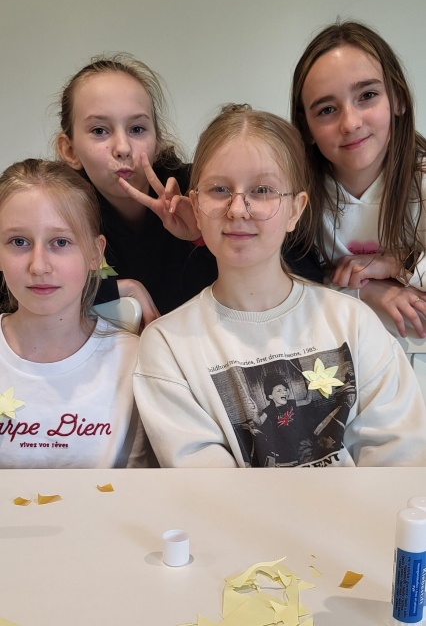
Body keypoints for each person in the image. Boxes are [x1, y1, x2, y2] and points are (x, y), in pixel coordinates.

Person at [133, 104, 426, 468]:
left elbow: (400, 458)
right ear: (195, 206)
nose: (238, 209)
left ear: (296, 210)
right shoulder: (167, 345)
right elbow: (208, 487)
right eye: (220, 189)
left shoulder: (355, 322)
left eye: (262, 190)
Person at [55, 53, 322, 317]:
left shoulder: (205, 191)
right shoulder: (60, 212)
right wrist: (119, 290)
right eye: (99, 131)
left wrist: (204, 235)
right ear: (69, 149)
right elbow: (30, 293)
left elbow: (307, 274)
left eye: (137, 129)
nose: (123, 148)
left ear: (157, 142)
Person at [0, 158, 153, 468]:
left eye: (60, 242)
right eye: (19, 242)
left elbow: (140, 480)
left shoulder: (135, 359)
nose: (38, 266)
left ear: (95, 253)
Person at [290, 20, 426, 339]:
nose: (350, 123)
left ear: (398, 99)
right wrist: (366, 290)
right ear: (306, 128)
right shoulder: (295, 196)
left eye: (367, 95)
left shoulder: (421, 180)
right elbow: (284, 285)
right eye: (327, 110)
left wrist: (399, 265)